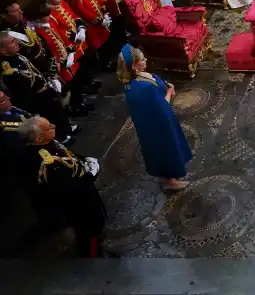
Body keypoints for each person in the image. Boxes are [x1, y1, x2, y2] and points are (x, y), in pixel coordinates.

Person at [16, 116, 107, 256]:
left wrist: (82, 161)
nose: (53, 127)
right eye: (49, 128)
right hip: (78, 204)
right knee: (90, 231)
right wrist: (91, 175)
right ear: (39, 139)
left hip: (79, 194)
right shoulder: (49, 164)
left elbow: (67, 155)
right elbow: (70, 190)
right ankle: (94, 257)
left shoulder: (46, 143)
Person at [118, 45, 191, 192]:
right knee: (167, 149)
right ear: (134, 65)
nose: (146, 60)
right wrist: (169, 91)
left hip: (152, 123)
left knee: (161, 149)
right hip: (160, 123)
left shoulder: (134, 81)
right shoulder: (143, 88)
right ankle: (170, 181)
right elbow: (162, 104)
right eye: (142, 59)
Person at [0, 32, 75, 143]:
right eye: (11, 42)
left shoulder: (18, 56)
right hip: (37, 97)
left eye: (14, 39)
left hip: (44, 89)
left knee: (58, 111)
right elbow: (22, 91)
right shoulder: (9, 69)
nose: (16, 42)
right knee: (50, 116)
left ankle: (65, 129)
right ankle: (60, 137)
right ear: (3, 50)